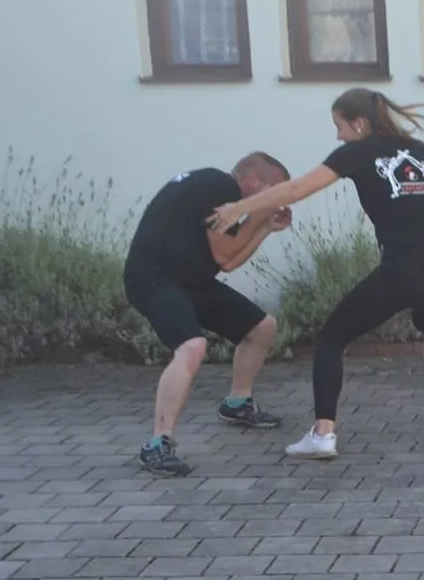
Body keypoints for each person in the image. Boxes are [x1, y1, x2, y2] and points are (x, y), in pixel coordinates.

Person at [205, 88, 424, 459]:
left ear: (359, 123)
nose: (337, 136)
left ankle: (322, 434)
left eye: (339, 126)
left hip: (406, 266)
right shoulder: (421, 152)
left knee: (331, 337)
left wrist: (240, 208)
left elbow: (297, 188)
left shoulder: (357, 152)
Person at [123, 153, 295, 477]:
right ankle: (157, 444)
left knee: (261, 328)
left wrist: (265, 227)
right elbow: (224, 252)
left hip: (190, 282)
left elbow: (228, 263)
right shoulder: (219, 186)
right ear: (253, 182)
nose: (276, 201)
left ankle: (236, 405)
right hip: (153, 279)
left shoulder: (220, 194)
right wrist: (260, 214)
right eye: (273, 192)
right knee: (192, 346)